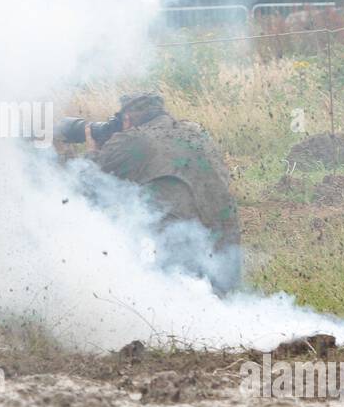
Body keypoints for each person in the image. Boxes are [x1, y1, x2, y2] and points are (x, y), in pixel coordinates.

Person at [59, 92, 241, 292]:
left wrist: (93, 150)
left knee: (173, 305)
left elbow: (86, 182)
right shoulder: (195, 131)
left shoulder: (134, 140)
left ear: (126, 119)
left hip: (180, 247)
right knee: (220, 304)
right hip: (226, 240)